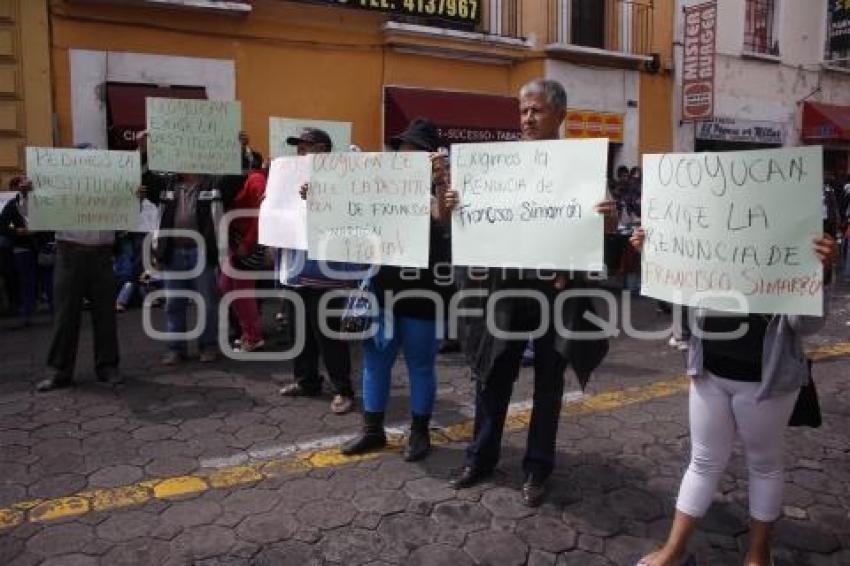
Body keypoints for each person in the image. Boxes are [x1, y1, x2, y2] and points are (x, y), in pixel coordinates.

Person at [442, 79, 615, 506]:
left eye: (535, 110)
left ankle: (538, 468)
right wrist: (448, 203)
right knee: (491, 374)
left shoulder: (582, 163)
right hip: (504, 291)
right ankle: (480, 457)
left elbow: (604, 229)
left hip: (556, 293)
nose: (527, 119)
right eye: (522, 111)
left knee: (549, 384)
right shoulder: (497, 164)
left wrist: (607, 218)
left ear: (560, 115)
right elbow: (451, 222)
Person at [629, 228, 838, 566]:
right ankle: (674, 550)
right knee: (703, 461)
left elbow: (805, 325)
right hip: (708, 370)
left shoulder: (794, 230)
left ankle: (758, 555)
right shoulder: (707, 224)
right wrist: (654, 253)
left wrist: (821, 272)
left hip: (766, 380)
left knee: (764, 465)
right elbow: (677, 297)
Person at [340, 117, 453, 461]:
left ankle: (419, 432)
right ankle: (372, 430)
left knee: (420, 365)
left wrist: (440, 183)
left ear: (431, 157)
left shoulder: (446, 191)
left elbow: (446, 219)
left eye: (414, 152)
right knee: (375, 363)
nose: (405, 157)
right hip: (383, 291)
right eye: (401, 151)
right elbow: (346, 211)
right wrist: (314, 197)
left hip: (425, 294)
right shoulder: (382, 189)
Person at [139, 132, 244, 365]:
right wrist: (144, 150)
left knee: (208, 303)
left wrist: (238, 149)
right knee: (174, 303)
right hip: (172, 253)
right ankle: (175, 349)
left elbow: (238, 178)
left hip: (203, 253)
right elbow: (143, 176)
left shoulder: (215, 185)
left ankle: (208, 347)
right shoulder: (166, 186)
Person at [278, 128, 357, 415]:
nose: (300, 151)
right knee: (299, 332)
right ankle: (306, 380)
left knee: (329, 334)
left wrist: (320, 196)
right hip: (295, 270)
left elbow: (347, 215)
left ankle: (343, 389)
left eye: (305, 146)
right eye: (298, 147)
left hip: (326, 272)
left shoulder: (341, 178)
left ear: (322, 149)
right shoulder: (287, 178)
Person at [35, 143, 123, 391]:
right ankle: (58, 372)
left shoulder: (111, 189)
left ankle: (108, 366)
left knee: (105, 314)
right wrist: (29, 194)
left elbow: (131, 217)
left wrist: (134, 195)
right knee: (65, 316)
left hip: (101, 256)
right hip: (69, 254)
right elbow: (34, 217)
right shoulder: (58, 189)